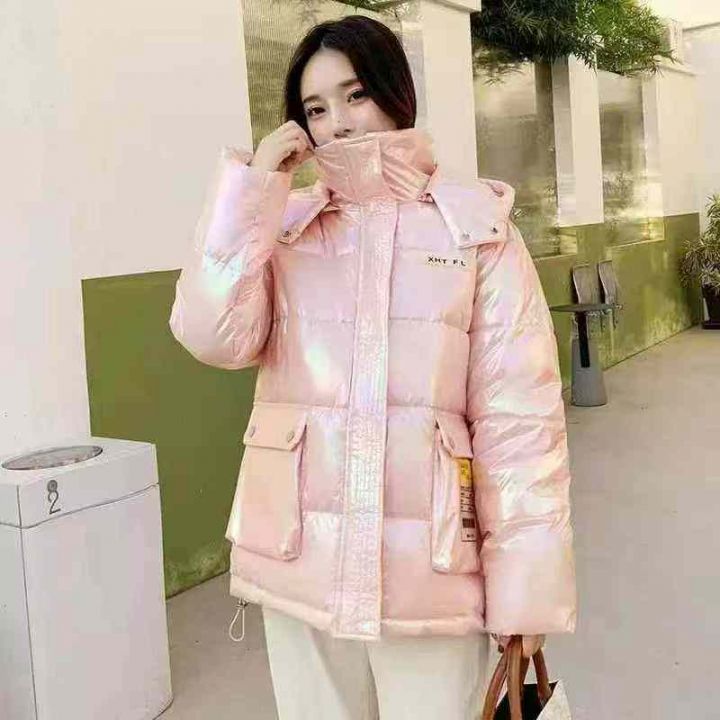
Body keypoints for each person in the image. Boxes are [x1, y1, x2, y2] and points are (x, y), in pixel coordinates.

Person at [169, 14, 576, 720]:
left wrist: (526, 590)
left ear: (395, 92)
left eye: (354, 95)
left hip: (430, 572)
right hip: (297, 557)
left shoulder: (477, 230)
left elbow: (520, 421)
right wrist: (254, 190)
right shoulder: (285, 227)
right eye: (315, 108)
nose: (338, 122)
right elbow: (213, 336)